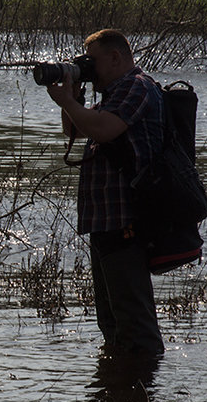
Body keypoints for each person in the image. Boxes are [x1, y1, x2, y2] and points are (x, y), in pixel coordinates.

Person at [46, 29, 165, 357]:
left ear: (114, 58)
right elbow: (75, 129)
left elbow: (102, 129)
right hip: (104, 221)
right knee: (112, 322)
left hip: (126, 220)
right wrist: (72, 99)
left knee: (135, 326)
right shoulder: (113, 95)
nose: (87, 67)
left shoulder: (137, 87)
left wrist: (69, 101)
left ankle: (142, 387)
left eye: (92, 61)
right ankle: (118, 393)